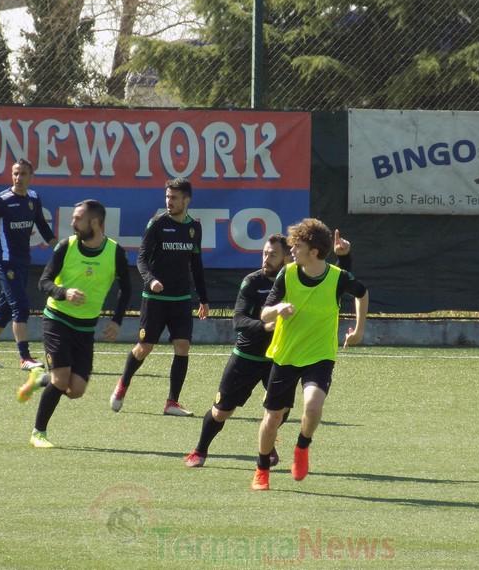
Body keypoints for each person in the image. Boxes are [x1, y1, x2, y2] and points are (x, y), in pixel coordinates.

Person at [183, 230, 352, 468]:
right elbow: (238, 320)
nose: (265, 259)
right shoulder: (252, 282)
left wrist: (344, 258)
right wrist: (265, 326)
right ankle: (200, 450)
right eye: (264, 253)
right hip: (247, 358)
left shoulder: (295, 277)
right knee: (221, 411)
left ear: (286, 258)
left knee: (279, 411)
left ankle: (266, 444)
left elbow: (333, 281)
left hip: (280, 357)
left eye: (272, 255)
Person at [251, 218, 368, 491]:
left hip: (320, 355)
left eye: (298, 245)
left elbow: (362, 293)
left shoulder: (337, 278)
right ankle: (261, 469)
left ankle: (302, 446)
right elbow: (264, 313)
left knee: (313, 407)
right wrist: (278, 309)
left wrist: (359, 330)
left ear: (314, 251)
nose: (292, 250)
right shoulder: (287, 274)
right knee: (273, 418)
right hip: (286, 355)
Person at [18, 199, 131, 448]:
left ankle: (40, 379)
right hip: (57, 320)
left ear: (95, 223)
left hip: (86, 328)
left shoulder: (115, 252)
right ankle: (38, 433)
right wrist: (64, 292)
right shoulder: (65, 246)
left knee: (76, 390)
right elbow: (44, 282)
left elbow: (127, 288)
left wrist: (117, 320)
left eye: (78, 218)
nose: (72, 223)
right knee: (61, 379)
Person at [109, 177, 209, 417]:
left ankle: (172, 402)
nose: (169, 201)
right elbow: (141, 259)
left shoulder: (194, 227)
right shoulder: (156, 224)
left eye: (174, 197)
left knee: (183, 346)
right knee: (144, 347)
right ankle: (122, 386)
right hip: (154, 300)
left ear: (186, 199)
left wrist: (203, 299)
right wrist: (151, 280)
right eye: (167, 197)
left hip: (181, 300)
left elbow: (196, 265)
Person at [0, 158, 57, 370]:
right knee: (20, 306)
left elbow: (43, 227)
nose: (18, 178)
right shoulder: (1, 200)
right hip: (5, 262)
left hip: (22, 262)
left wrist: (61, 249)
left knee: (4, 311)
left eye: (23, 174)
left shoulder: (33, 199)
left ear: (31, 177)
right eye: (15, 174)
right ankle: (25, 358)